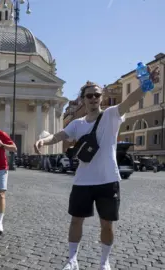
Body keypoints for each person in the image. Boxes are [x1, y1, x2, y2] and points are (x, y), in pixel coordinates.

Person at [34, 67, 159, 270]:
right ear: (83, 99)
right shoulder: (77, 123)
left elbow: (129, 101)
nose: (93, 98)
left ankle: (104, 262)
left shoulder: (111, 115)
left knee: (107, 224)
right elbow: (59, 136)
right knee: (76, 221)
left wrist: (146, 86)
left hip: (108, 180)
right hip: (83, 181)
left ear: (101, 98)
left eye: (97, 95)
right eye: (89, 95)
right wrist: (44, 141)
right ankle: (72, 260)